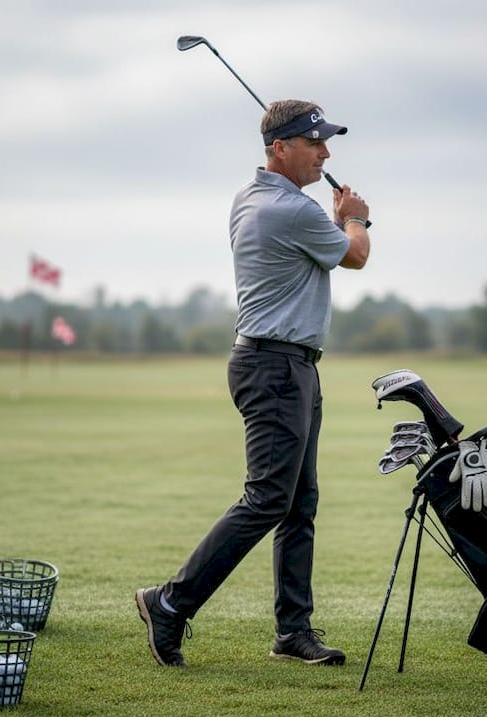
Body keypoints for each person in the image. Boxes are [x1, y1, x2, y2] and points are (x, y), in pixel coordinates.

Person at [136, 99, 371, 668]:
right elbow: (358, 255)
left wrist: (333, 215)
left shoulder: (252, 197)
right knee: (269, 498)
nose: (326, 153)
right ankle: (169, 602)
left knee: (297, 502)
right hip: (277, 368)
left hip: (285, 365)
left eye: (326, 143)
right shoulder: (291, 211)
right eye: (315, 143)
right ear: (279, 149)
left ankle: (293, 632)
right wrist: (355, 214)